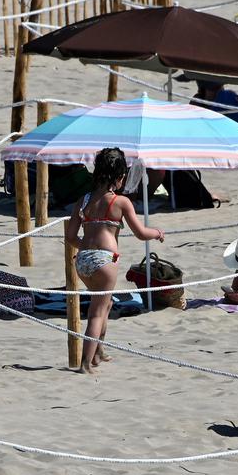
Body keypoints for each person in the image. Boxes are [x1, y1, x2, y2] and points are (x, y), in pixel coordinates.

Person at [63, 147, 165, 374]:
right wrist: (156, 233)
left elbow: (70, 237)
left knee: (105, 304)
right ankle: (85, 364)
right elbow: (140, 233)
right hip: (105, 261)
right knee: (96, 313)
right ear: (120, 178)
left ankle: (98, 352)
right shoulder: (121, 202)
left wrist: (86, 249)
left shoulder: (83, 200)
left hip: (82, 260)